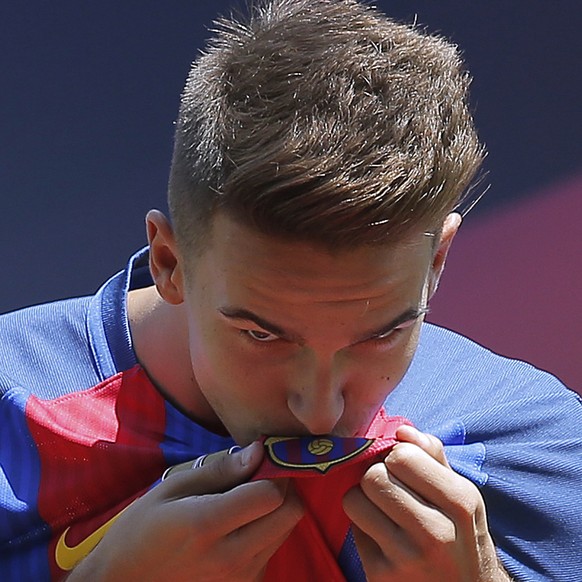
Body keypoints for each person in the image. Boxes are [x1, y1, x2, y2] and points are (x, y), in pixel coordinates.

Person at [1, 0, 580, 580]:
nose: (320, 410)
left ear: (439, 261)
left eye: (382, 334)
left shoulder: (536, 446)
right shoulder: (12, 407)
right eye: (261, 334)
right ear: (170, 261)